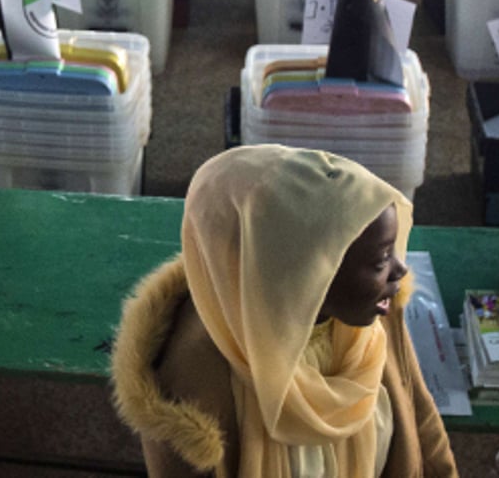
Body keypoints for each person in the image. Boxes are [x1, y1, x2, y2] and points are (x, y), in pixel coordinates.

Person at [111, 144, 459, 477]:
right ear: (308, 270)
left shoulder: (377, 320)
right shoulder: (195, 387)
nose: (400, 270)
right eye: (381, 259)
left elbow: (421, 422)